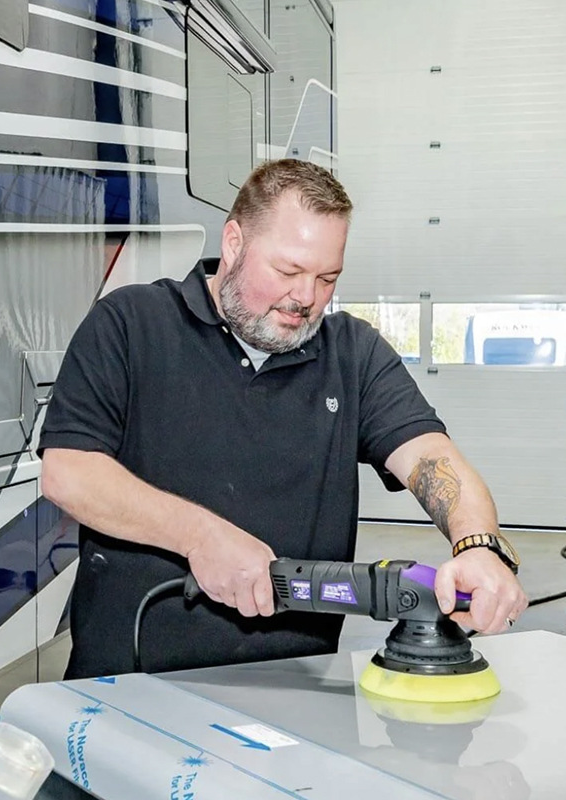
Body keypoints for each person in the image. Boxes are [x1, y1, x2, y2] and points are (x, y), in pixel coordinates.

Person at [37, 159, 527, 680]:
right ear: (233, 243)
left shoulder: (352, 353)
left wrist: (477, 544)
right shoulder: (131, 323)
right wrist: (200, 537)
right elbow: (69, 472)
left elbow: (432, 457)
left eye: (327, 278)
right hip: (128, 684)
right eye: (288, 271)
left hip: (297, 692)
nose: (306, 297)